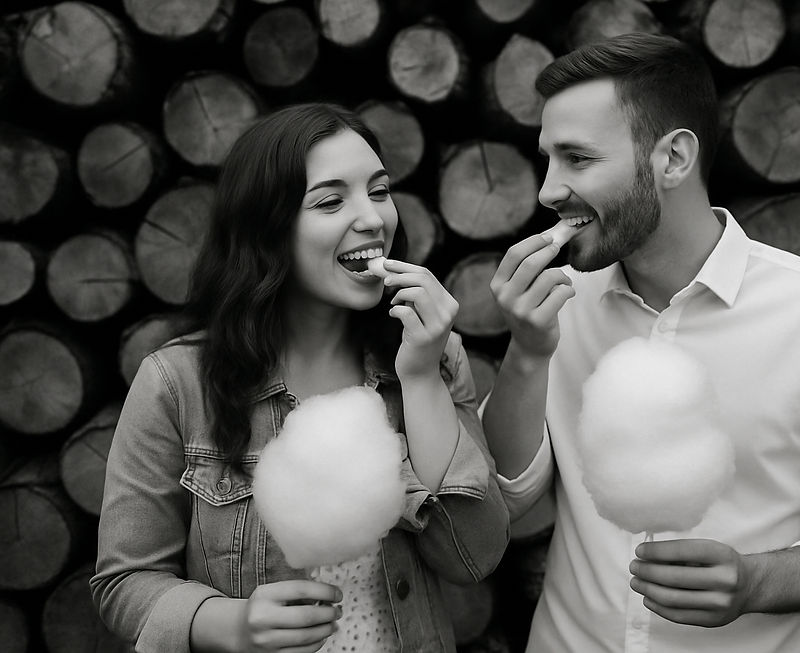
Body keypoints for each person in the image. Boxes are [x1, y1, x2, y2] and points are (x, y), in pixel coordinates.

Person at [482, 33, 800, 653]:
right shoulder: (560, 304)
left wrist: (757, 582)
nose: (548, 190)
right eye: (548, 160)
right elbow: (503, 496)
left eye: (577, 159)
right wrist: (527, 353)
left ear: (673, 159)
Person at [92, 103, 509, 653]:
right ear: (267, 228)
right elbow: (122, 582)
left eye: (380, 191)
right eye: (332, 201)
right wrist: (230, 624)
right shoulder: (176, 383)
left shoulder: (431, 356)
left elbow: (471, 557)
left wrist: (422, 377)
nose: (372, 218)